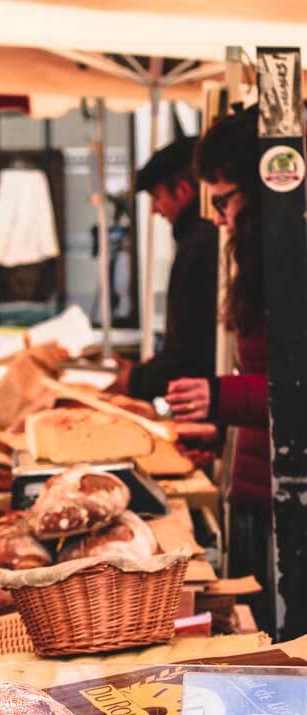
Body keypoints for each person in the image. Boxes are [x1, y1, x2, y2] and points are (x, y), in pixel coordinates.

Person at [164, 108, 273, 632]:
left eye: (225, 199)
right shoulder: (263, 259)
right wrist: (224, 429)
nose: (217, 216)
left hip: (281, 499)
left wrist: (223, 399)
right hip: (259, 489)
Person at [109, 136, 219, 401]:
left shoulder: (198, 247)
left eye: (157, 197)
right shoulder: (200, 242)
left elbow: (188, 351)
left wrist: (136, 380)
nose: (155, 211)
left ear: (182, 191)